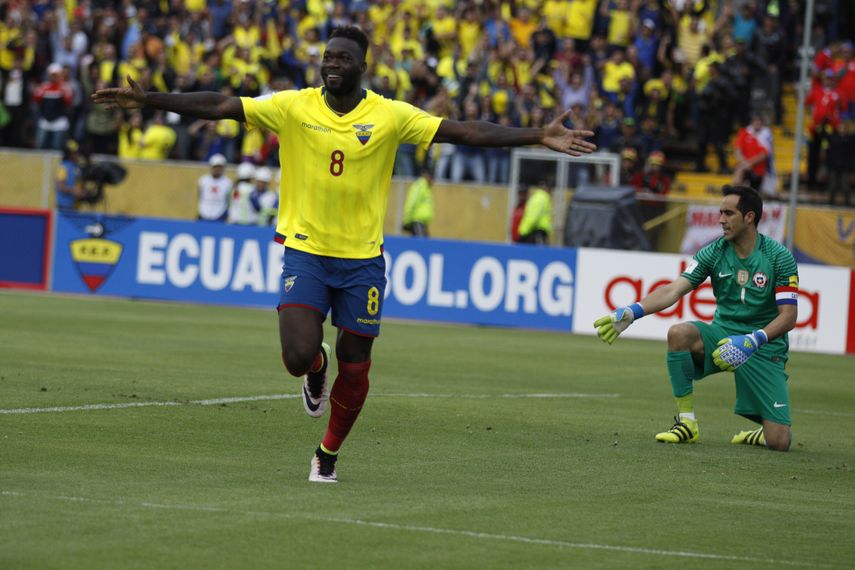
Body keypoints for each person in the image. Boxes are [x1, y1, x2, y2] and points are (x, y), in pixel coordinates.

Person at [92, 26, 596, 484]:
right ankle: (315, 367)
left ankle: (327, 454)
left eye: (342, 58)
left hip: (362, 263)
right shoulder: (293, 106)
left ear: (362, 66)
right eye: (326, 57)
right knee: (295, 356)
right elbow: (223, 105)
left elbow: (464, 130)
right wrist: (152, 100)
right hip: (306, 252)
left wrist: (535, 135)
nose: (331, 64)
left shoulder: (389, 115)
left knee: (356, 368)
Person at [594, 185, 799, 452]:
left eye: (729, 213)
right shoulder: (713, 252)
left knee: (779, 441)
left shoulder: (778, 257)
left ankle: (760, 433)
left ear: (749, 217)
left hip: (762, 345)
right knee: (679, 333)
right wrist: (633, 312)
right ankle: (687, 423)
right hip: (722, 334)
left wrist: (753, 340)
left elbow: (789, 317)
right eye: (720, 213)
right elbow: (672, 289)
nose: (721, 220)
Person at [197, 154, 233, 222]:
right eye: (215, 167)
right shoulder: (203, 180)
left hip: (220, 213)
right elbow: (199, 195)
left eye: (220, 167)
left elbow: (228, 199)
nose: (217, 169)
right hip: (204, 211)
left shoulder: (228, 182)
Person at [402, 169, 434, 237]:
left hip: (422, 222)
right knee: (421, 243)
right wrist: (407, 220)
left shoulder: (426, 187)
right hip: (417, 220)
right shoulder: (420, 185)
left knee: (424, 244)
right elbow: (412, 202)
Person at [55, 140, 85, 211]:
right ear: (69, 154)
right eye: (76, 153)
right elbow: (60, 187)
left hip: (74, 206)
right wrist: (74, 191)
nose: (78, 154)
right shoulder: (63, 168)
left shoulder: (76, 167)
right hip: (64, 206)